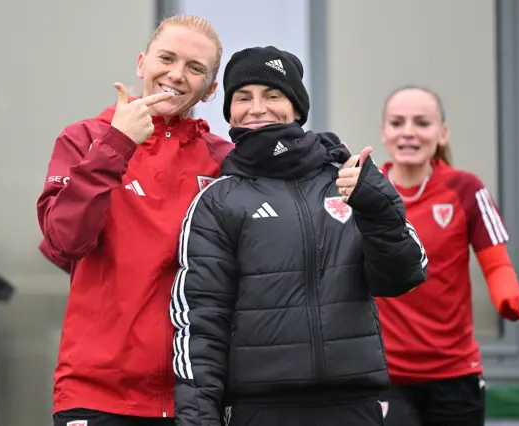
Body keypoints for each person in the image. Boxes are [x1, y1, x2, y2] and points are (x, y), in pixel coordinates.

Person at [170, 46, 429, 426]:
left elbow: (403, 276)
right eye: (243, 97)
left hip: (354, 404)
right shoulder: (218, 199)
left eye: (272, 95)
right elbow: (200, 325)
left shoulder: (348, 177)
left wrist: (378, 207)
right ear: (229, 112)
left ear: (296, 107)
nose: (257, 108)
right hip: (259, 409)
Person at [37, 14, 234, 426]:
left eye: (195, 68)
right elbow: (63, 242)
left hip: (194, 398)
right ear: (142, 62)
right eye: (167, 58)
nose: (177, 75)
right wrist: (118, 144)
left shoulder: (222, 160)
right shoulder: (85, 138)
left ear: (211, 89)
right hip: (97, 394)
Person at [376, 85, 519, 426]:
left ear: (442, 133)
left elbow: (496, 264)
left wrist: (510, 297)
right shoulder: (366, 189)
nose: (408, 132)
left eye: (422, 123)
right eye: (397, 122)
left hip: (454, 373)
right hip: (383, 373)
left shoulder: (466, 188)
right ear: (384, 132)